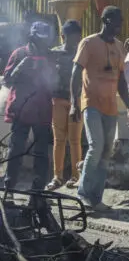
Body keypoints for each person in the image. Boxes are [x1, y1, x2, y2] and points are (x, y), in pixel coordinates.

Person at [70, 6, 129, 211]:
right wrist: (74, 103)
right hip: (91, 103)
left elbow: (122, 81)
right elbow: (75, 73)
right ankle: (83, 193)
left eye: (121, 21)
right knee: (96, 146)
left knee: (106, 152)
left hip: (110, 107)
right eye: (117, 21)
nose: (120, 25)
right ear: (106, 20)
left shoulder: (119, 46)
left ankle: (96, 198)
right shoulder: (89, 43)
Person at [3, 21, 55, 191]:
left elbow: (56, 84)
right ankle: (9, 188)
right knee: (16, 151)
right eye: (40, 40)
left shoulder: (51, 56)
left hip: (43, 112)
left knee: (41, 153)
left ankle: (38, 192)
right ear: (32, 38)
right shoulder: (19, 54)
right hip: (22, 110)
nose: (43, 44)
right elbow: (8, 80)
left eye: (45, 40)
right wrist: (20, 68)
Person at [46, 20, 83, 191]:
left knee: (75, 141)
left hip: (78, 101)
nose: (74, 41)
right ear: (63, 36)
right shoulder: (54, 54)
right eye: (71, 38)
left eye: (77, 37)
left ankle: (76, 177)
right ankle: (58, 177)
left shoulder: (83, 52)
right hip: (58, 101)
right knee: (59, 140)